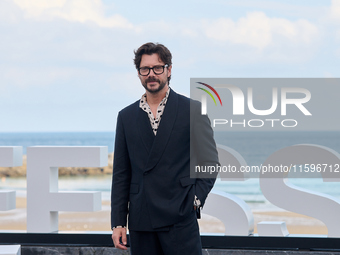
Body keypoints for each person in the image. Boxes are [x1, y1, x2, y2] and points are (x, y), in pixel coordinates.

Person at [111, 42, 219, 255]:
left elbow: (209, 162)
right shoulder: (126, 116)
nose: (151, 74)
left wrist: (194, 201)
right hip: (142, 219)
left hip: (179, 217)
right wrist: (118, 222)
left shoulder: (193, 110)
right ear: (139, 73)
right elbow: (121, 173)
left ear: (169, 70)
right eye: (145, 69)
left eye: (157, 68)